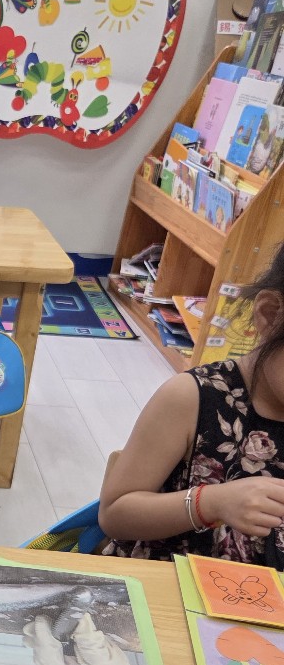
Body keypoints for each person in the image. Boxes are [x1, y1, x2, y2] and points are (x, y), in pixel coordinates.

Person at [99, 240, 284, 564]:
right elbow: (115, 513)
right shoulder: (193, 397)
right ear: (270, 315)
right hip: (167, 583)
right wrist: (211, 502)